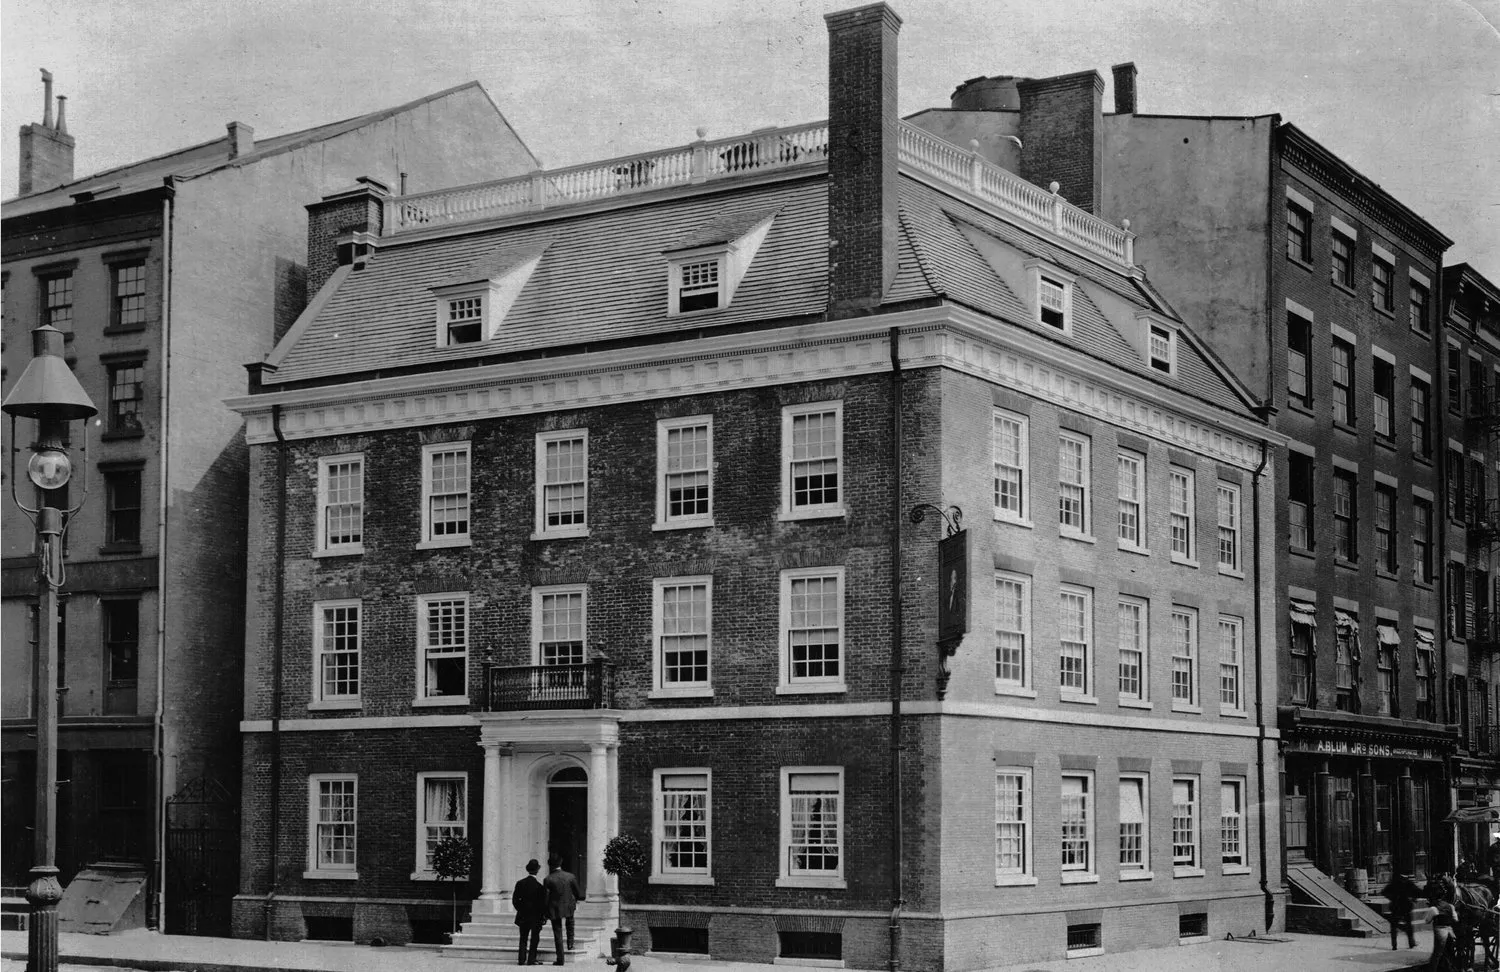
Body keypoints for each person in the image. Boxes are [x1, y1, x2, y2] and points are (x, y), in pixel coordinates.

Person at [543, 852, 586, 965]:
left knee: (558, 933)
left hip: (555, 908)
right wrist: (574, 900)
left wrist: (545, 912)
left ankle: (560, 959)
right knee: (570, 924)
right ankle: (570, 944)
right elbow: (578, 892)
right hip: (568, 906)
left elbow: (546, 898)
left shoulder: (548, 879)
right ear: (561, 863)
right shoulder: (570, 876)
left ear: (550, 865)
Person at [512, 858, 548, 966]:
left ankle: (521, 959)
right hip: (535, 916)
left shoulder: (520, 883)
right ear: (537, 870)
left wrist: (521, 910)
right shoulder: (540, 887)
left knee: (523, 938)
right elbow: (543, 905)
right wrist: (543, 916)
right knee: (535, 938)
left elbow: (515, 901)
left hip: (523, 915)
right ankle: (531, 959)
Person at [1382, 872, 1419, 950]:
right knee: (1409, 925)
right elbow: (1417, 892)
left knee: (1394, 927)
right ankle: (1411, 943)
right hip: (1406, 907)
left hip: (1396, 907)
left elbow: (1384, 892)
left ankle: (1394, 945)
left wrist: (1392, 898)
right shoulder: (1409, 883)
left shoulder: (1394, 883)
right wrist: (1413, 898)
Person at [1428, 897, 1459, 972]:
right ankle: (1452, 968)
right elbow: (1456, 919)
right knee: (1450, 951)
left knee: (1437, 953)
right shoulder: (1451, 906)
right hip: (1450, 932)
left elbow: (1427, 921)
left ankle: (1433, 970)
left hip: (1440, 931)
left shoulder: (1433, 909)